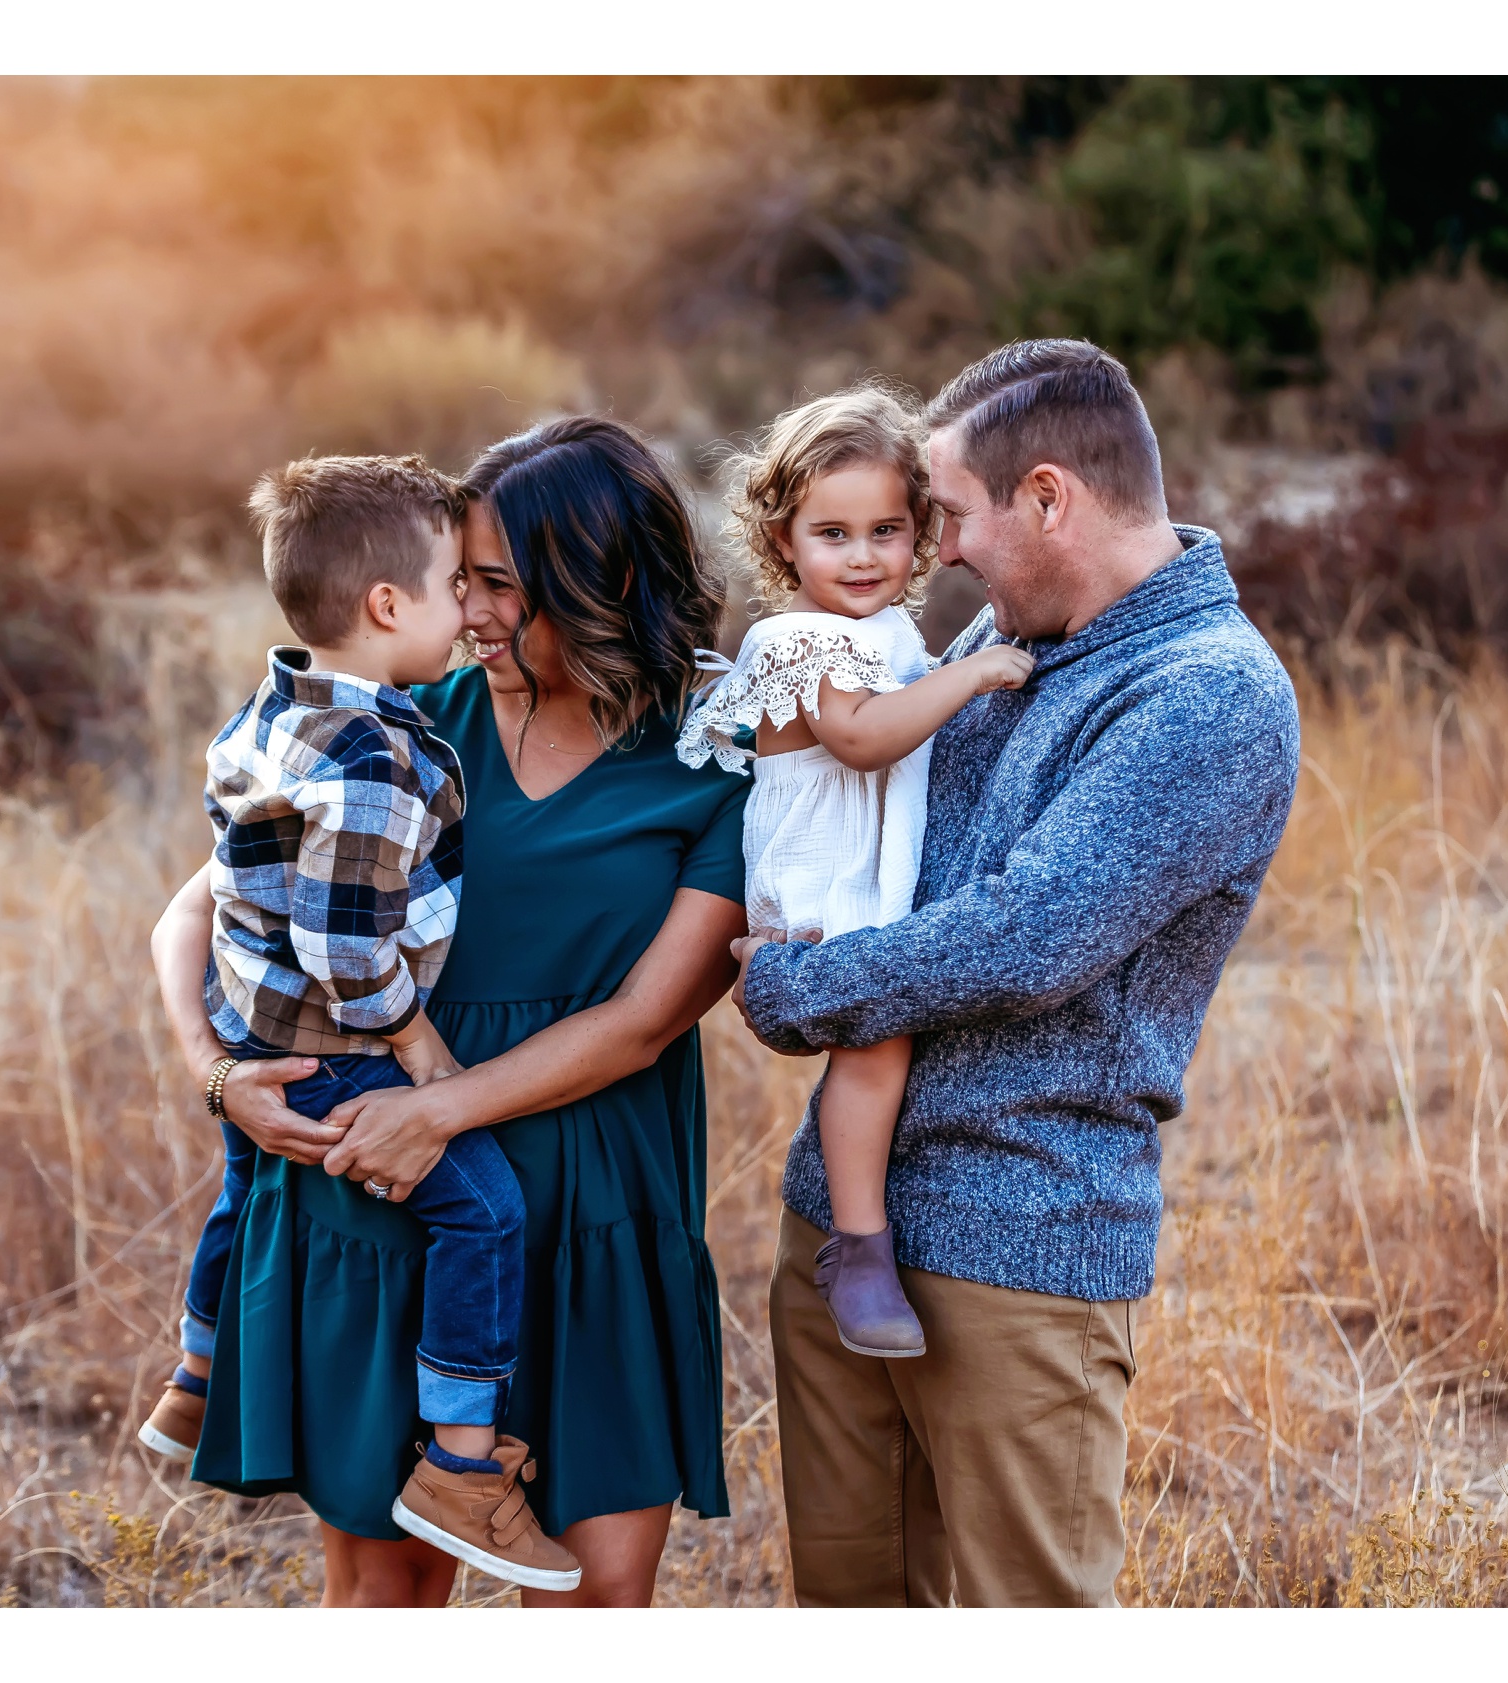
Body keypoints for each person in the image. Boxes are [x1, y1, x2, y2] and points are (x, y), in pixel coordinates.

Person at [732, 340, 1302, 1607]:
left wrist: (792, 987)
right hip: (843, 1223)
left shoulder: (1204, 694)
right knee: (846, 1613)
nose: (932, 552)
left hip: (1017, 1249)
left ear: (1046, 499)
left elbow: (1028, 934)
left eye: (945, 517)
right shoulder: (1010, 625)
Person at [155, 416, 751, 1607]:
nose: (467, 612)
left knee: (593, 1609)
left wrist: (445, 1111)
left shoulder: (720, 747)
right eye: (457, 579)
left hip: (595, 1202)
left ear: (604, 579)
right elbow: (190, 917)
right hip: (389, 1194)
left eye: (495, 583)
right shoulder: (407, 713)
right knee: (386, 1609)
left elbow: (649, 1015)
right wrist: (220, 1079)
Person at [136, 452, 581, 1591]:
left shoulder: (272, 703)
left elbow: (249, 879)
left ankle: (196, 1378)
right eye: (449, 585)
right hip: (332, 1055)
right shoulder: (375, 757)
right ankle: (459, 1462)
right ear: (389, 607)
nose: (467, 611)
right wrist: (420, 1053)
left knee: (241, 1191)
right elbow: (345, 950)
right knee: (481, 1211)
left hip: (252, 1037)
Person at [678, 383, 1032, 1357]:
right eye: (832, 534)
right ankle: (860, 1246)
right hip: (819, 881)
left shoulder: (886, 635)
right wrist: (972, 674)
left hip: (870, 873)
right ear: (782, 538)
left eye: (886, 529)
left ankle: (870, 1227)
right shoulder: (795, 639)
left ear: (919, 530)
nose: (864, 555)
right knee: (871, 1050)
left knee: (887, 1050)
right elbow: (863, 739)